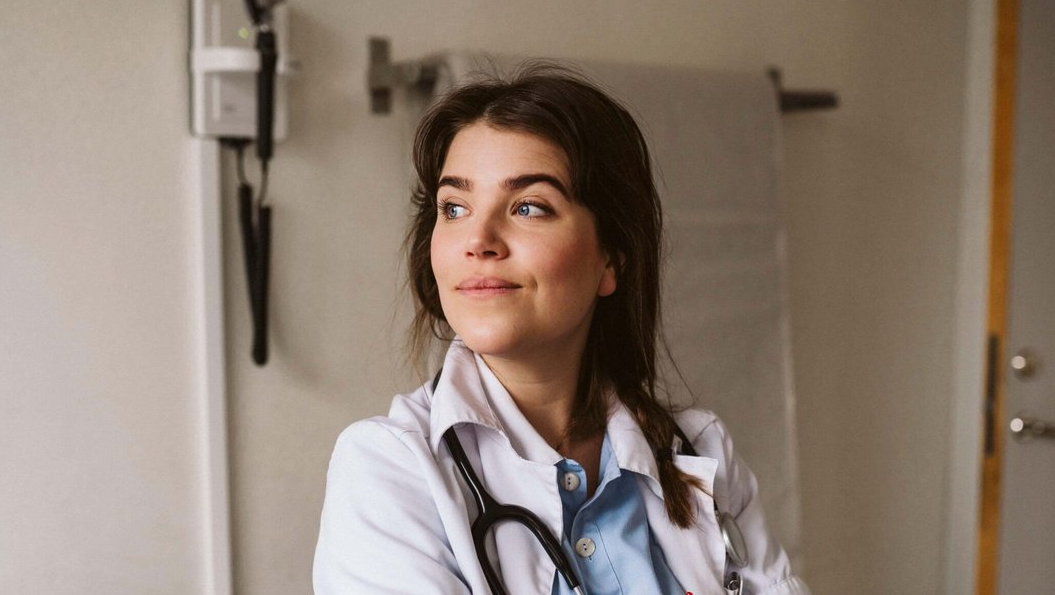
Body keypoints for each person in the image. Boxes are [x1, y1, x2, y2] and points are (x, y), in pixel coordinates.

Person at [313, 64, 809, 595]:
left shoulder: (699, 451)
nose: (478, 240)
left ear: (610, 260)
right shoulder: (390, 469)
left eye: (528, 207)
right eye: (454, 207)